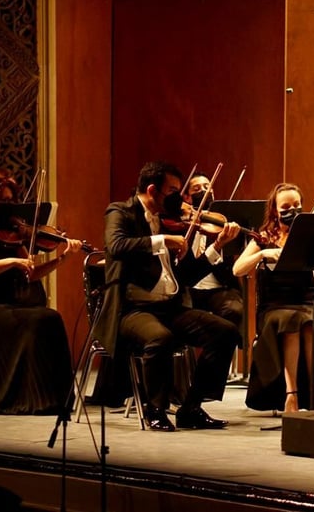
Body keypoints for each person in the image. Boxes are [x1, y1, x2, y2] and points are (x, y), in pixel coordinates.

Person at [96, 161, 239, 431]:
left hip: (169, 308)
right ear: (152, 189)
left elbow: (185, 278)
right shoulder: (121, 211)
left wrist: (217, 245)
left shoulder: (165, 221)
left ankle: (191, 407)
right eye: (173, 190)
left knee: (225, 331)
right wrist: (163, 240)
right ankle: (156, 410)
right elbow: (116, 245)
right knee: (160, 338)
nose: (179, 198)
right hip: (131, 310)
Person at [0, 174, 80, 415]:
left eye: (11, 200)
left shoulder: (11, 232)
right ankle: (28, 398)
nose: (9, 206)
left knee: (50, 318)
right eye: (2, 201)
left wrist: (64, 257)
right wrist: (11, 261)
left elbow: (30, 273)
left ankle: (50, 399)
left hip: (5, 306)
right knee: (40, 320)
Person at [233, 183, 314, 412]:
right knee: (290, 320)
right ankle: (291, 394)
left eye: (297, 206)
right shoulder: (263, 237)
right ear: (274, 210)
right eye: (285, 207)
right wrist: (262, 254)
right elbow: (238, 269)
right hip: (275, 305)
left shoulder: (307, 236)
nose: (292, 211)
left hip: (308, 300)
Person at [181, 172, 244, 342]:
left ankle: (220, 358)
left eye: (207, 187)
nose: (204, 190)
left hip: (219, 288)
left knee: (234, 310)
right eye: (197, 188)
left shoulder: (225, 223)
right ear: (187, 197)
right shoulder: (181, 223)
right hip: (188, 288)